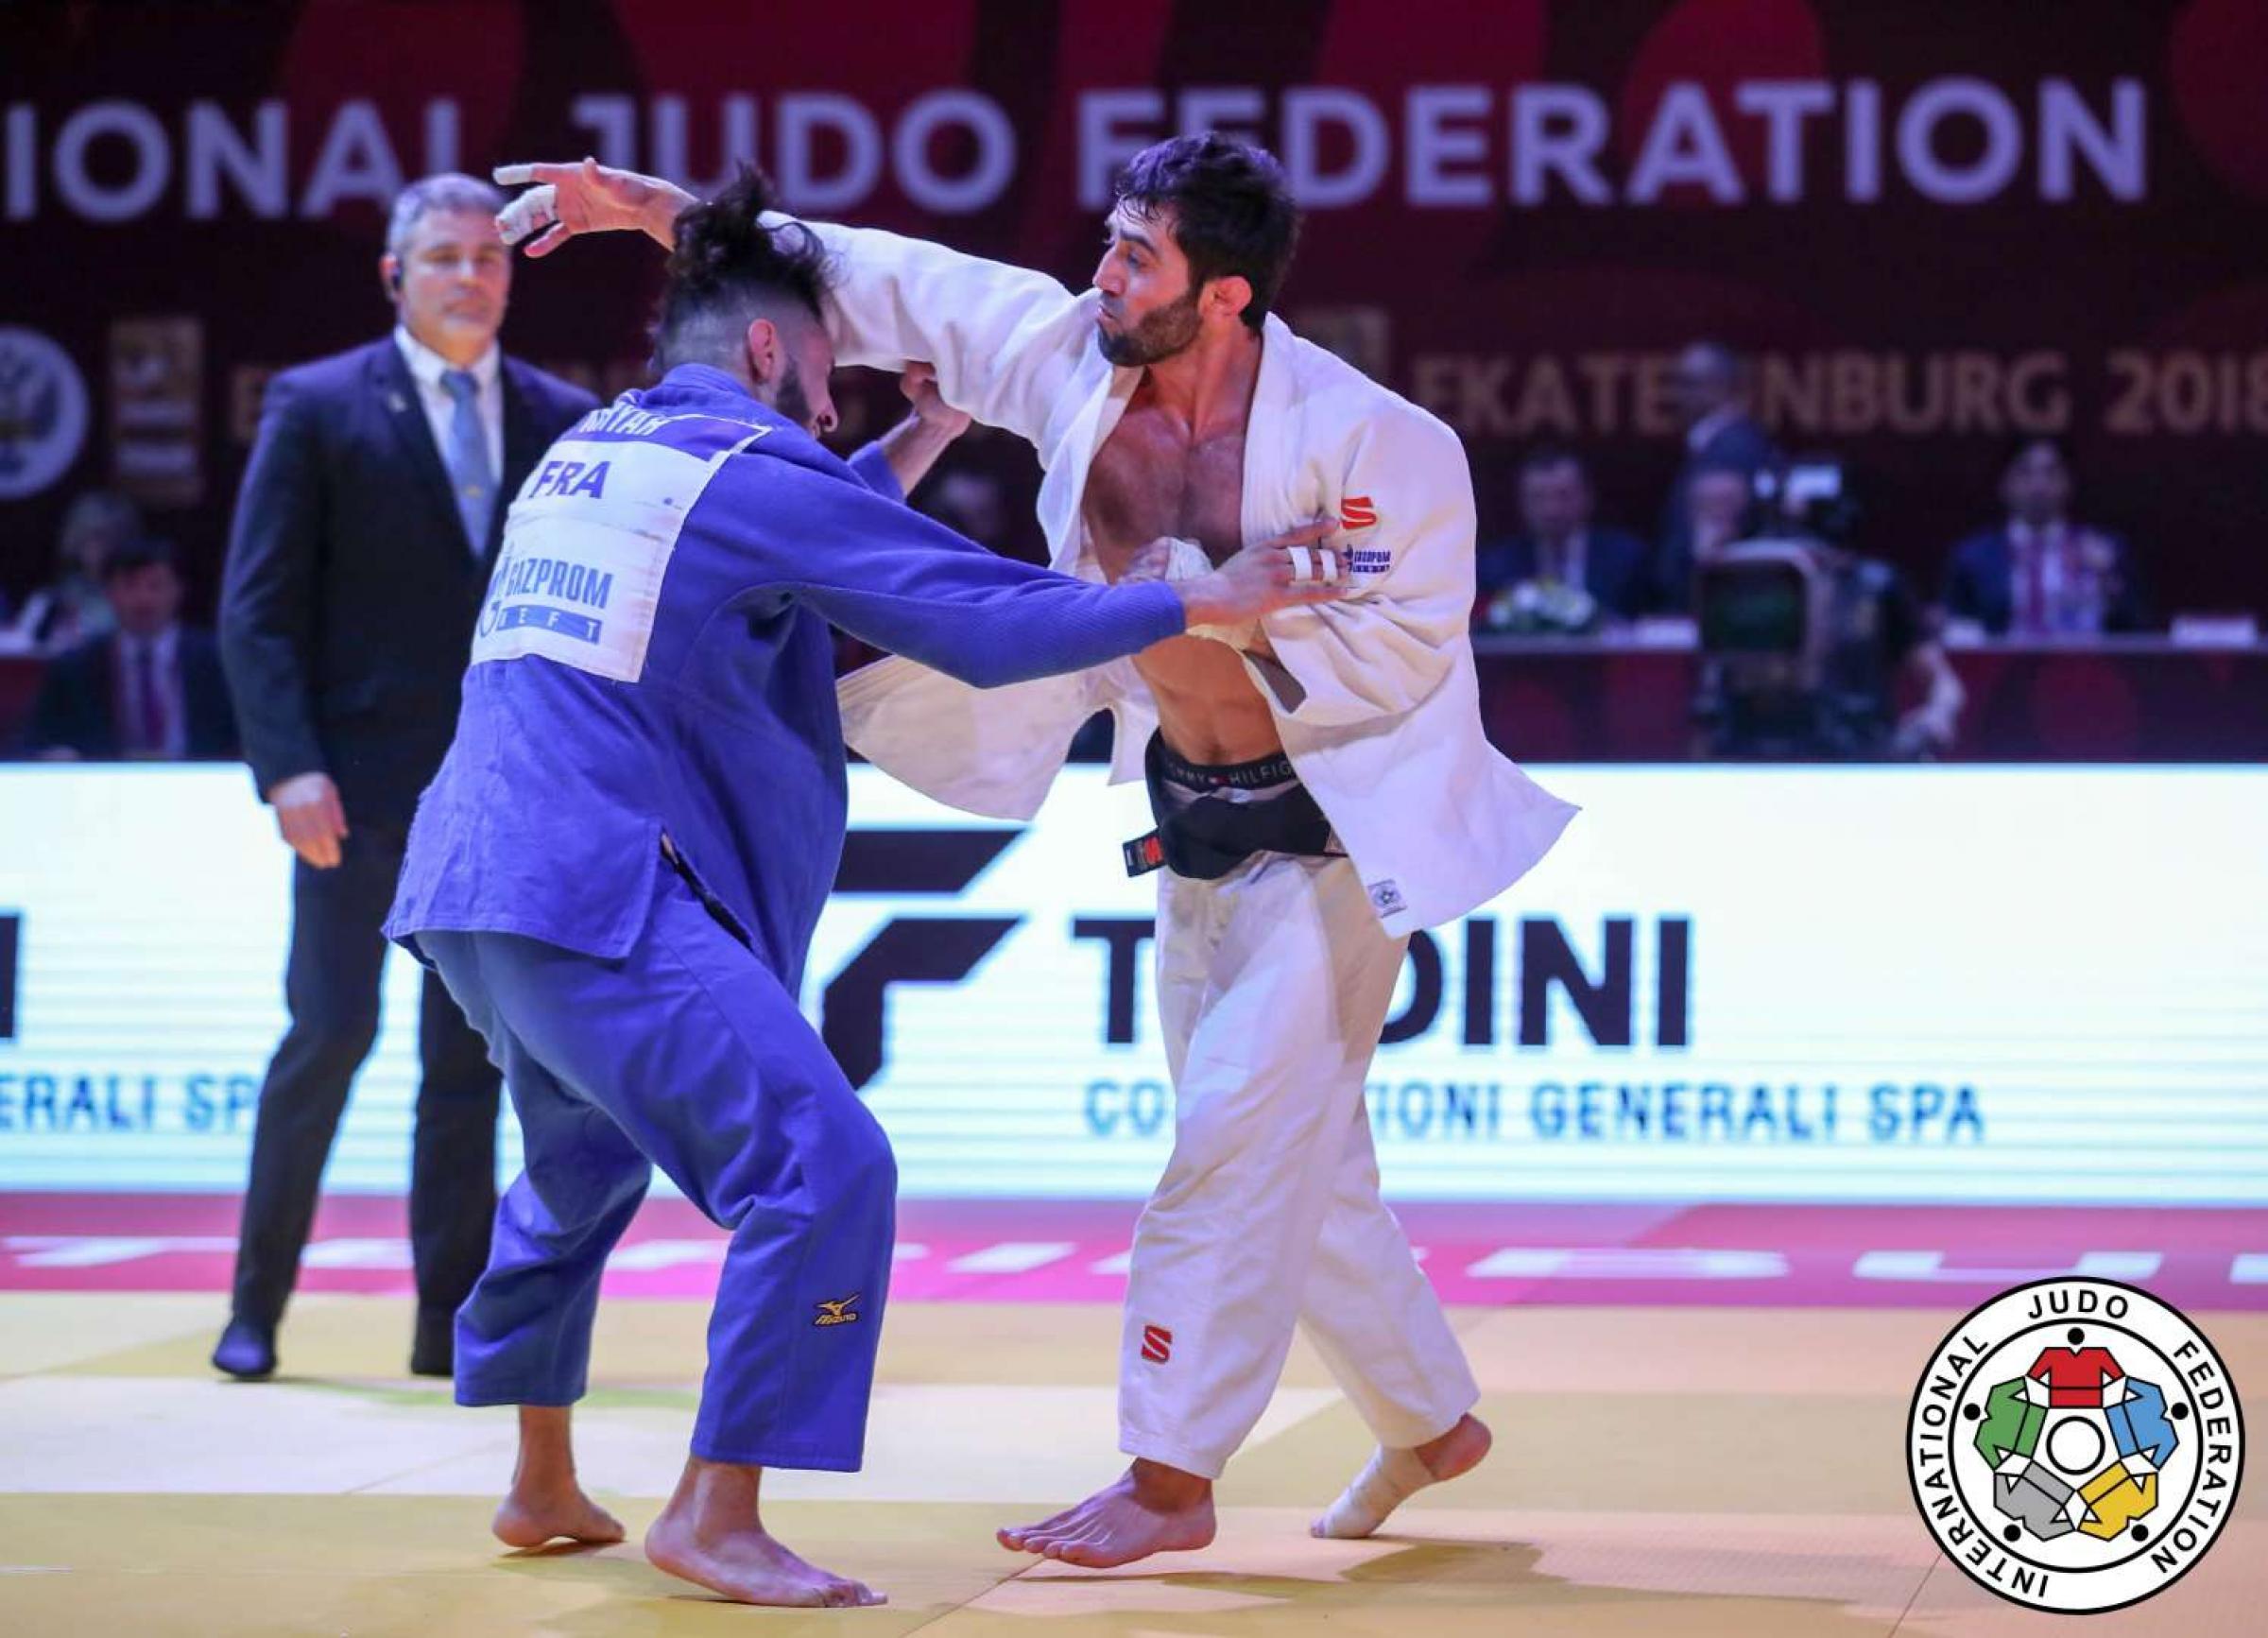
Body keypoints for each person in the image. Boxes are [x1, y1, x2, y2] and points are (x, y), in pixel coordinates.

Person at [496, 136, 1576, 1569]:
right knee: (1301, 1163)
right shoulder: (1076, 361)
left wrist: (1208, 601)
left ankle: (1170, 1476)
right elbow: (896, 281)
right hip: (1195, 824)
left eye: (1140, 257)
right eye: (1110, 240)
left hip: (1335, 836)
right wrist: (665, 217)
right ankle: (1430, 1421)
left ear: (1227, 294)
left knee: (1230, 1141)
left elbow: (1397, 658)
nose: (1103, 274)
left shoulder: (1382, 443)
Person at [385, 167, 1339, 1608]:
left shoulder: (600, 448)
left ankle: (539, 1479)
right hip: (599, 891)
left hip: (471, 887)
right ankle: (715, 1513)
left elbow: (780, 543)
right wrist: (1197, 597)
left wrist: (925, 433)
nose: (832, 406)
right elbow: (969, 615)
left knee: (578, 1167)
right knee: (825, 1167)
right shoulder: (753, 471)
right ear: (771, 348)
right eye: (827, 373)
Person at [212, 174, 598, 1383]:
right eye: (442, 256)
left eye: (488, 256)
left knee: (466, 1068)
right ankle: (255, 1306)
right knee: (327, 1035)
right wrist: (288, 767)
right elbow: (257, 611)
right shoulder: (319, 405)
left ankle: (447, 1327)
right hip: (355, 791)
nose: (468, 275)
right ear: (395, 275)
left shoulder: (563, 417)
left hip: (498, 797)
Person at [1694, 457, 1964, 760]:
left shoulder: (1876, 586)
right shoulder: (1742, 582)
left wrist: (1937, 715)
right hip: (1756, 756)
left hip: (1858, 752)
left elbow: (1944, 684)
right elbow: (1713, 683)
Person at [26, 537, 235, 760]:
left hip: (201, 776)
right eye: (129, 585)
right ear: (108, 593)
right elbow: (37, 739)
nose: (143, 599)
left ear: (179, 590)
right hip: (106, 779)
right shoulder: (76, 667)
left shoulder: (216, 661)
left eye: (156, 586)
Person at [1941, 437, 2146, 637]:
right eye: (2025, 473)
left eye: (2051, 473)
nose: (2039, 486)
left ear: (2069, 483)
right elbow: (1956, 630)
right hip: (2003, 660)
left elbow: (2139, 632)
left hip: (2084, 659)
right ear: (2004, 484)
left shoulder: (2106, 550)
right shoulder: (1974, 557)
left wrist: (2109, 580)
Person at [1474, 446, 1652, 632]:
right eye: (1539, 498)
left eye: (1563, 495)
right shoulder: (1496, 566)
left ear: (1587, 497)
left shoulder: (1626, 559)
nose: (1552, 510)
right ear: (1522, 503)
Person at [1655, 341, 1778, 603]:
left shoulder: (1730, 448)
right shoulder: (1719, 445)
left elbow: (1711, 551)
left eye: (1686, 383)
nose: (1675, 394)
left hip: (1711, 609)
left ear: (1719, 386)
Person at [13, 490, 138, 652]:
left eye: (113, 537)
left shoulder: (138, 600)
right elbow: (23, 651)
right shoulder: (49, 600)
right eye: (95, 536)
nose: (104, 547)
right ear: (76, 538)